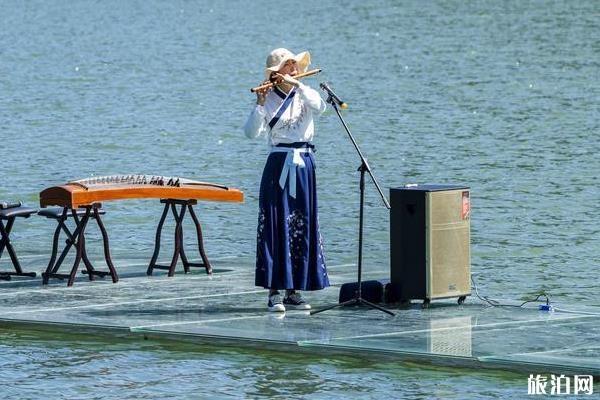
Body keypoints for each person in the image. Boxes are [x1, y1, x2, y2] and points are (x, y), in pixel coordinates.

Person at [244, 48, 330, 312]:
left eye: (294, 65)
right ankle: (274, 292)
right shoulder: (267, 98)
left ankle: (295, 290)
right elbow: (251, 133)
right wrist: (259, 105)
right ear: (275, 73)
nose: (293, 69)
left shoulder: (305, 92)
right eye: (287, 66)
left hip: (304, 163)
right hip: (279, 163)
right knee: (276, 224)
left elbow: (321, 107)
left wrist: (298, 85)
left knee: (301, 223)